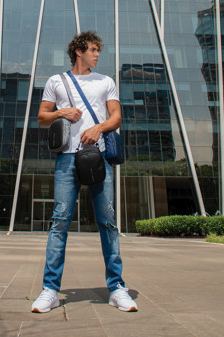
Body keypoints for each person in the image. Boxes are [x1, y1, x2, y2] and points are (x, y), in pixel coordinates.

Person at [31, 31, 138, 314]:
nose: (97, 54)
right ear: (78, 51)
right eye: (93, 50)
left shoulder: (105, 81)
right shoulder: (56, 81)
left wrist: (98, 128)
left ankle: (117, 288)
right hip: (66, 159)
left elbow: (116, 117)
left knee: (108, 222)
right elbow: (41, 117)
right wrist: (61, 113)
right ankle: (50, 290)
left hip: (99, 156)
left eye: (98, 50)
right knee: (60, 221)